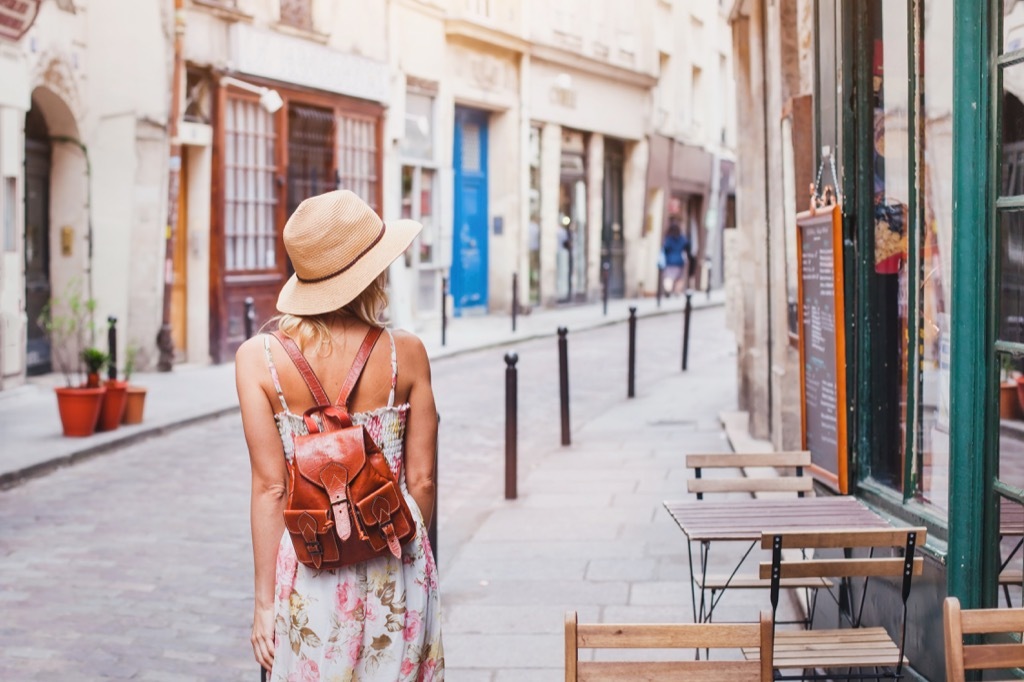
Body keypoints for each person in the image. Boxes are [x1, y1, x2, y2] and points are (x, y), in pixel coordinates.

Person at [235, 190, 444, 680]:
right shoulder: (406, 353)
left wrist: (264, 604)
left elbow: (269, 488)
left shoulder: (257, 359)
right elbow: (424, 480)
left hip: (312, 564)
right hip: (397, 555)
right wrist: (399, 548)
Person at [661, 218, 690, 296]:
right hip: (679, 261)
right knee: (679, 278)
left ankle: (668, 290)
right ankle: (677, 291)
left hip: (670, 261)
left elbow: (665, 248)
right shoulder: (682, 238)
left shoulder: (668, 239)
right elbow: (687, 245)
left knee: (669, 277)